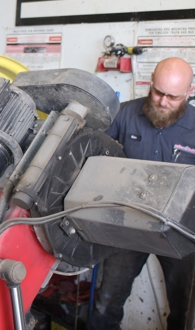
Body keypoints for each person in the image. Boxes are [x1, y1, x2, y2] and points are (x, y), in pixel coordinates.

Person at [88, 57, 195, 330]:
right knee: (106, 302)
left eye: (172, 96)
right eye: (158, 92)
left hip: (180, 231)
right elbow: (93, 154)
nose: (162, 101)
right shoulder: (123, 115)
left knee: (183, 307)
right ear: (150, 84)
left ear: (189, 93)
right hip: (129, 226)